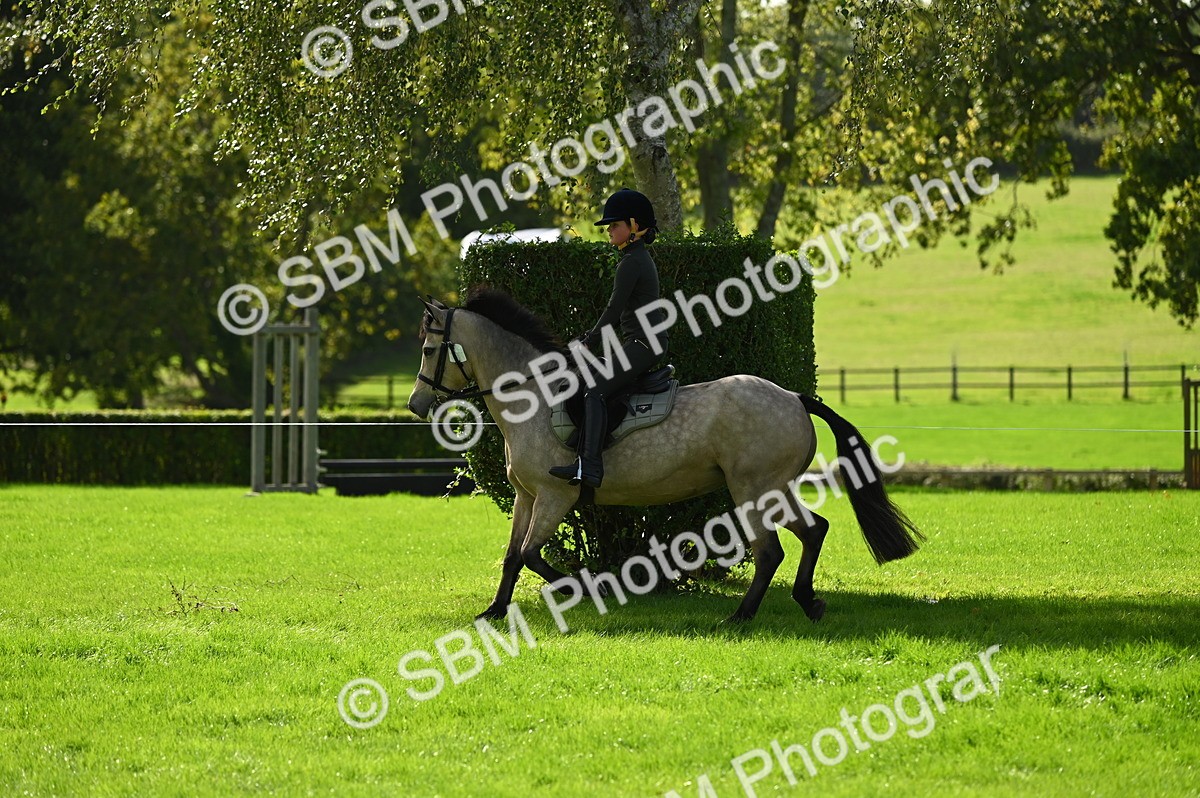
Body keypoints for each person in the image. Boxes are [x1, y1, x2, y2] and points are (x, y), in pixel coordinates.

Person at [549, 188, 668, 489]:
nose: (610, 231)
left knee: (595, 391)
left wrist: (587, 341)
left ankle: (589, 466)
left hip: (644, 345)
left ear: (634, 226)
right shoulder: (635, 257)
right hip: (640, 343)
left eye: (615, 225)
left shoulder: (632, 262)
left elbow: (613, 310)